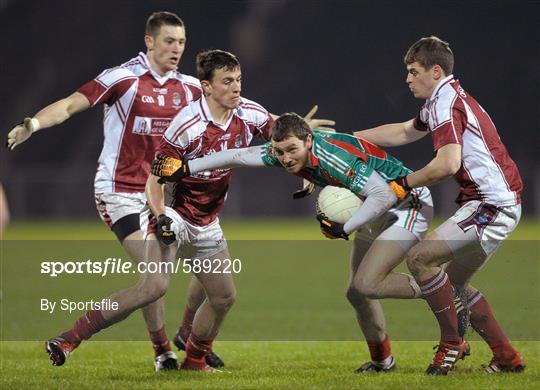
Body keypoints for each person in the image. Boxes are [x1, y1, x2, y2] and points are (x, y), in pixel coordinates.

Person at [6, 11, 217, 370]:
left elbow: (238, 108)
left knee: (159, 280)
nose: (177, 48)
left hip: (161, 198)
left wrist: (286, 127)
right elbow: (72, 103)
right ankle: (87, 340)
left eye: (181, 41)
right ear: (149, 41)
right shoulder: (124, 78)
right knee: (155, 279)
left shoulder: (191, 87)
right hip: (119, 192)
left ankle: (166, 349)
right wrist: (35, 123)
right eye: (169, 40)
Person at [152, 112, 436, 373]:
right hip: (373, 208)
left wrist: (343, 227)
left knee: (367, 284)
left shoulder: (332, 158)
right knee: (357, 293)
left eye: (292, 150)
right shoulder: (281, 152)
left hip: (406, 204)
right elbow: (235, 155)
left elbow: (384, 195)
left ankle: (442, 289)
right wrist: (185, 167)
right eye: (279, 152)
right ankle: (383, 361)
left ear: (309, 141)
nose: (286, 159)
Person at [355, 36, 524, 375]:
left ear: (435, 71)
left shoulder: (446, 103)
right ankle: (506, 357)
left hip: (491, 204)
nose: (407, 78)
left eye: (413, 71)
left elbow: (446, 164)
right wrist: (350, 137)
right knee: (453, 284)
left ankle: (451, 343)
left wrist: (401, 184)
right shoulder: (442, 100)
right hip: (495, 202)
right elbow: (404, 132)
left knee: (420, 258)